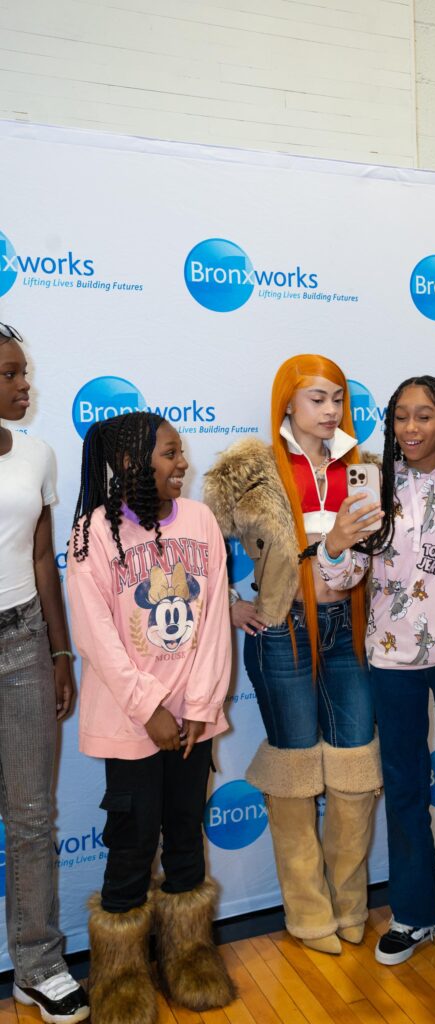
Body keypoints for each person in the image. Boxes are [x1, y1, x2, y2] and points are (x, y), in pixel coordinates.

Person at [317, 374, 435, 990]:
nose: (412, 429)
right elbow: (343, 581)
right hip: (391, 659)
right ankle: (416, 914)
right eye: (401, 417)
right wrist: (337, 545)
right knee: (403, 790)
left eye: (425, 416)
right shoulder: (373, 485)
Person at [204, 355, 382, 956]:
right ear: (288, 403)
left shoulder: (364, 466)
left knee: (357, 772)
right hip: (282, 628)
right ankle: (308, 912)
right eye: (316, 399)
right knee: (295, 772)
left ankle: (350, 903)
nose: (330, 411)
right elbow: (196, 542)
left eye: (337, 398)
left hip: (348, 627)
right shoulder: (250, 471)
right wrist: (229, 602)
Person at [67, 412, 235, 1024]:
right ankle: (120, 980)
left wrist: (198, 706)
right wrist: (150, 710)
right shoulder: (91, 534)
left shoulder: (200, 521)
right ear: (133, 464)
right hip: (130, 725)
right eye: (169, 453)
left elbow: (215, 619)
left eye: (181, 451)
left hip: (192, 721)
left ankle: (190, 960)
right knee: (133, 846)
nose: (182, 463)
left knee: (187, 836)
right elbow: (97, 638)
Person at [0, 321, 90, 1024]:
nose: (23, 385)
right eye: (9, 374)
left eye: (22, 371)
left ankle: (38, 964)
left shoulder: (37, 454)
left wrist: (60, 654)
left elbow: (40, 561)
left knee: (32, 817)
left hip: (26, 640)